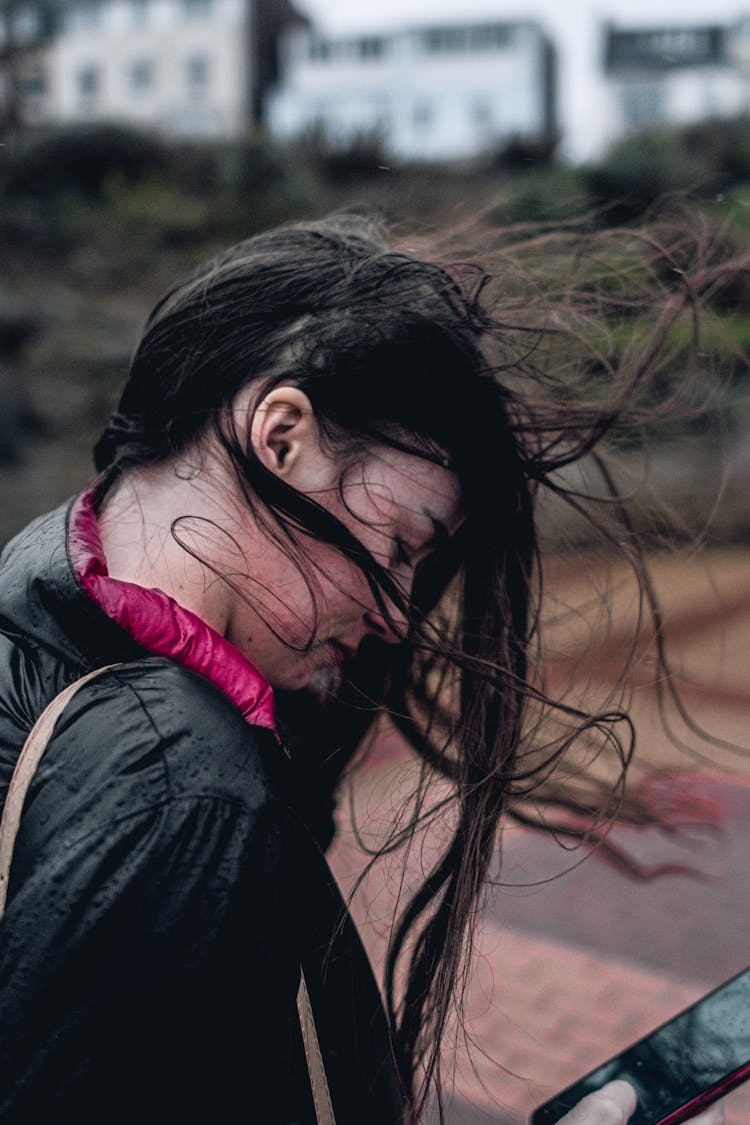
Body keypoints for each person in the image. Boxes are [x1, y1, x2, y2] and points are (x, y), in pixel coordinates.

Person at [0, 214, 725, 1125]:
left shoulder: (36, 635)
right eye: (402, 543)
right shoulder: (180, 781)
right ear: (281, 434)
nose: (394, 609)